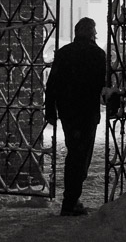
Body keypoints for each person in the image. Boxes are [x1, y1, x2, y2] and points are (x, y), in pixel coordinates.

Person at [45, 17, 107, 216]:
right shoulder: (97, 54)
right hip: (87, 111)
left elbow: (52, 83)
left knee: (74, 152)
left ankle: (71, 198)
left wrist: (50, 110)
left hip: (68, 110)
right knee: (82, 155)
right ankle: (70, 200)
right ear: (92, 33)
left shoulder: (64, 53)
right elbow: (102, 84)